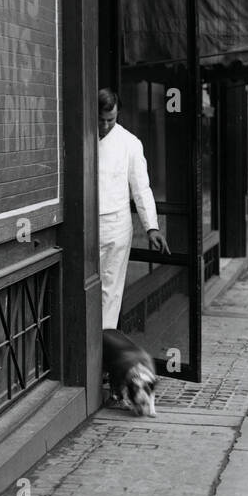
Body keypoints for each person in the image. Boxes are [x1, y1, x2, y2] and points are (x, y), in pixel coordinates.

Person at [98, 88, 169, 330]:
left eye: (111, 120)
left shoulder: (130, 143)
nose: (105, 126)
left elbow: (141, 188)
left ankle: (104, 348)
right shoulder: (81, 138)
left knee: (110, 288)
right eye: (101, 120)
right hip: (85, 225)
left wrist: (151, 227)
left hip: (116, 226)